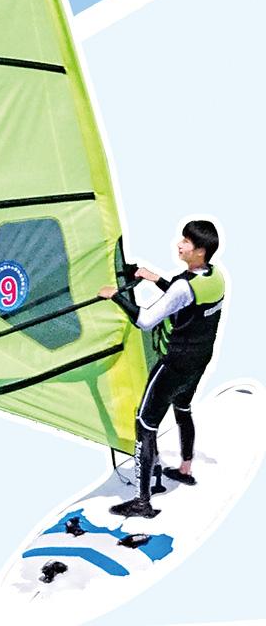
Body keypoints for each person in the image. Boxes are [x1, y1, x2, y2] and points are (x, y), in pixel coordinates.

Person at [98, 220, 225, 518]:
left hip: (174, 364)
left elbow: (145, 320)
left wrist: (115, 296)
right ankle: (185, 469)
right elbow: (188, 301)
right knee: (183, 407)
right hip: (199, 360)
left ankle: (142, 502)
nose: (179, 244)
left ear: (200, 251)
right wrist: (155, 279)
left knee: (145, 424)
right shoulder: (216, 277)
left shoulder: (184, 285)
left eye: (186, 242)